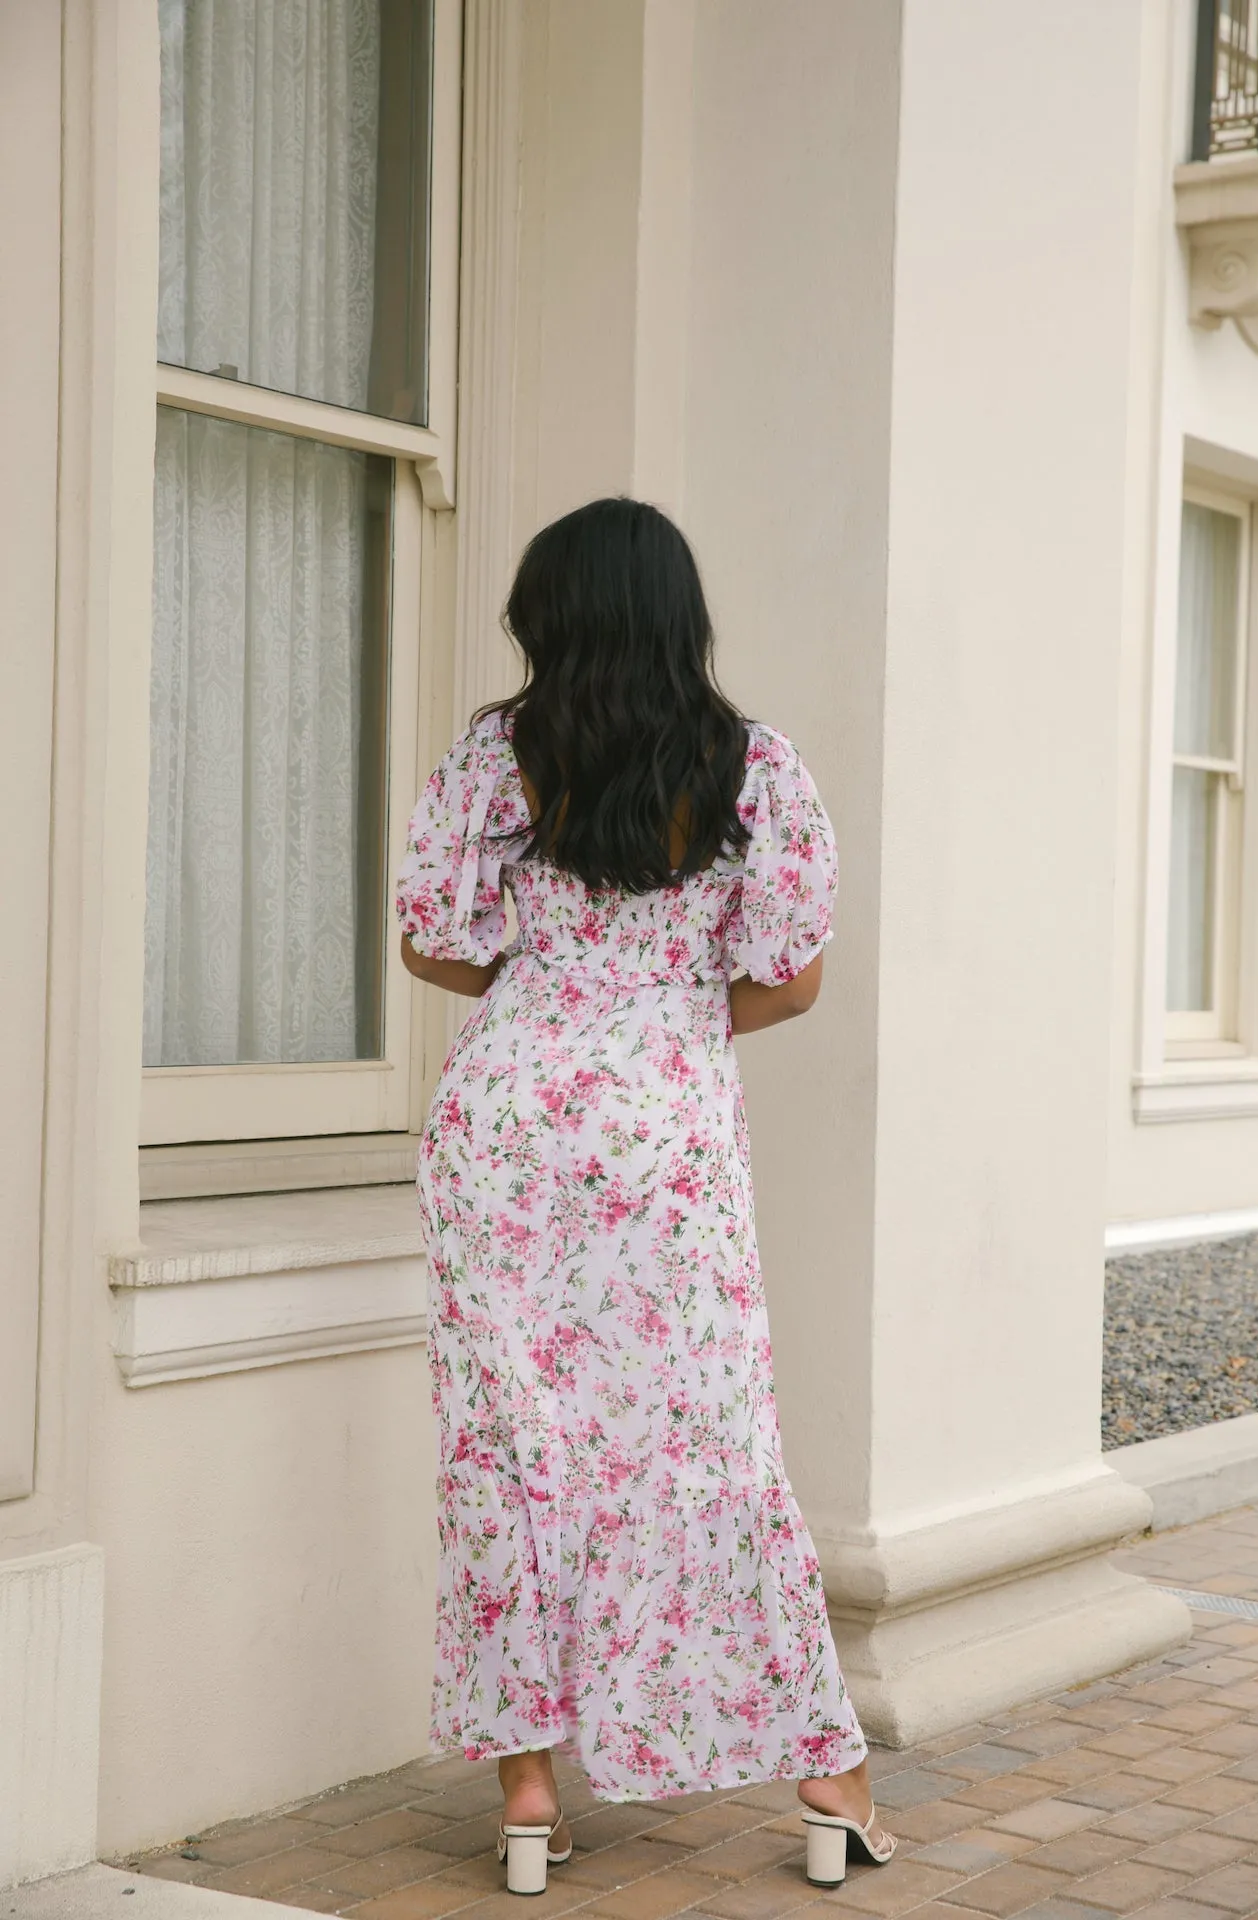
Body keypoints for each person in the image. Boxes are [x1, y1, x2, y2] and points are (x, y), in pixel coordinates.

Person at [395, 498, 894, 1896]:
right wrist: (656, 1018)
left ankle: (531, 1806)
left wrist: (558, 999)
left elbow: (434, 943)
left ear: (550, 619)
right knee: (708, 1443)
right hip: (665, 1131)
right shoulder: (756, 770)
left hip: (501, 1125)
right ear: (682, 614)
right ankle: (830, 1780)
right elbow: (790, 978)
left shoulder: (501, 756)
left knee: (512, 1451)